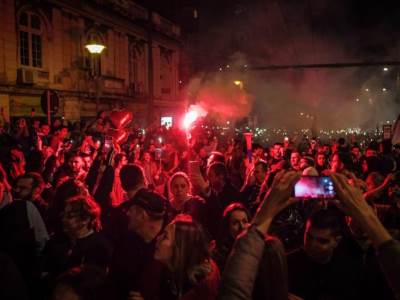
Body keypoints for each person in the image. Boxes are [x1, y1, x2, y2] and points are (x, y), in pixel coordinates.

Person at [287, 208, 362, 300]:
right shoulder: (288, 263)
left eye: (322, 241)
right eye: (309, 237)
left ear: (336, 241)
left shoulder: (348, 269)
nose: (312, 245)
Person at [109, 189, 167, 300]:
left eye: (131, 210)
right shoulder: (126, 241)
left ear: (142, 216)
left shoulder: (168, 247)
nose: (127, 213)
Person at [152, 214, 220, 300]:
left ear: (181, 247)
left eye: (165, 236)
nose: (158, 238)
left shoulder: (198, 289)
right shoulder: (169, 270)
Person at [44, 195, 113, 279]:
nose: (63, 219)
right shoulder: (58, 241)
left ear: (86, 219)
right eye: (63, 215)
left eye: (70, 216)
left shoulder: (98, 246)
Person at [212, 203, 250, 272]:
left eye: (244, 221)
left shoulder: (254, 246)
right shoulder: (220, 254)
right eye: (235, 223)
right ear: (227, 227)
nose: (241, 227)